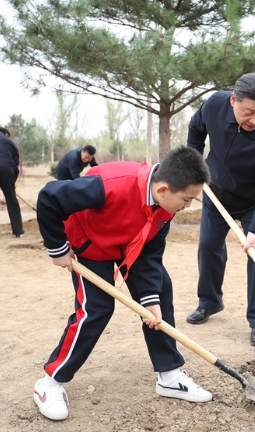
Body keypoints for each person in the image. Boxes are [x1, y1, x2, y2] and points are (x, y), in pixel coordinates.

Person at [33, 146, 212, 421]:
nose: (188, 205)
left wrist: (149, 299)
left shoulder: (166, 204)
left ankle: (169, 375)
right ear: (163, 189)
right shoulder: (108, 186)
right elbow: (49, 198)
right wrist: (58, 248)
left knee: (159, 293)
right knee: (97, 309)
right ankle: (51, 382)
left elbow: (151, 252)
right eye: (187, 199)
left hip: (131, 247)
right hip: (89, 245)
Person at [185, 72, 255, 347]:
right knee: (208, 245)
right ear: (233, 100)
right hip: (217, 192)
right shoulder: (214, 106)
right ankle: (210, 302)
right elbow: (196, 129)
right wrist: (193, 163)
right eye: (249, 112)